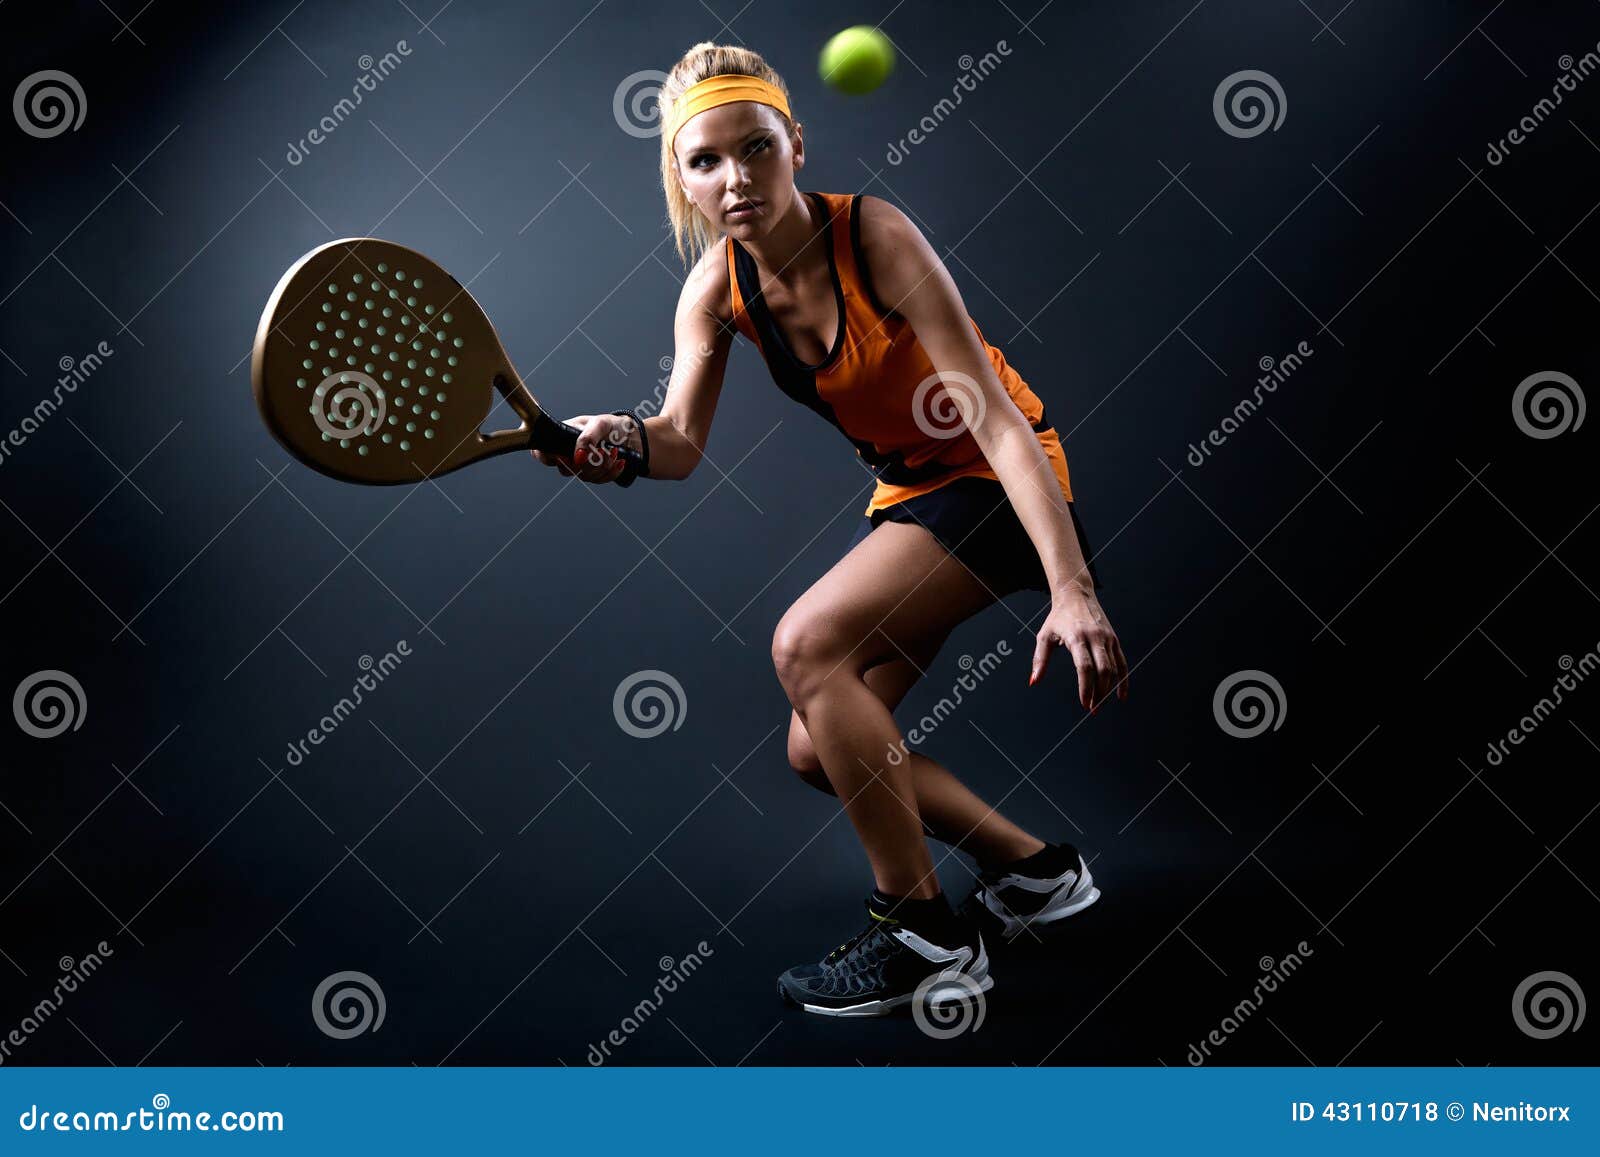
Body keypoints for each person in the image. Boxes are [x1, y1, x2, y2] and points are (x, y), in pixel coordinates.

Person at [531, 42, 1130, 1018]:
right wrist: (617, 440)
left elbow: (992, 415)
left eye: (754, 148)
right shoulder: (717, 292)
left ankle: (926, 933)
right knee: (820, 745)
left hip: (1001, 477)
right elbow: (677, 442)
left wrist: (1072, 586)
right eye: (705, 161)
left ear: (794, 145)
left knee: (806, 644)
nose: (735, 180)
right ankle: (1036, 872)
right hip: (912, 493)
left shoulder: (876, 238)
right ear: (680, 179)